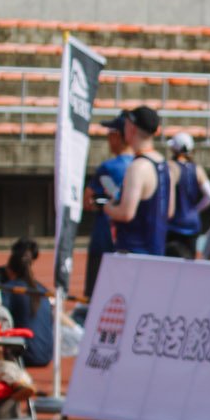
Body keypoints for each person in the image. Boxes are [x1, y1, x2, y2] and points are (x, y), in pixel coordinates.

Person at [104, 105, 169, 256]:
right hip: (156, 250)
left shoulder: (137, 167)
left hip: (134, 253)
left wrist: (107, 207)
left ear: (132, 128)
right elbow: (169, 210)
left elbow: (126, 214)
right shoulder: (163, 163)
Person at [81, 113, 132, 301]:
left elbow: (87, 201)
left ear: (117, 135)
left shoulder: (108, 168)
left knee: (96, 299)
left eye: (109, 133)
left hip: (104, 240)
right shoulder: (143, 165)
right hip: (131, 244)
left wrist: (102, 204)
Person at [0, 238, 54, 367]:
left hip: (25, 355)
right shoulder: (43, 290)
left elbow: (1, 318)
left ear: (10, 270)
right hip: (47, 355)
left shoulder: (10, 289)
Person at [165, 132, 210, 259]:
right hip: (192, 224)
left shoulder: (172, 167)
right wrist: (195, 210)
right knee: (189, 261)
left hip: (174, 224)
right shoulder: (197, 169)